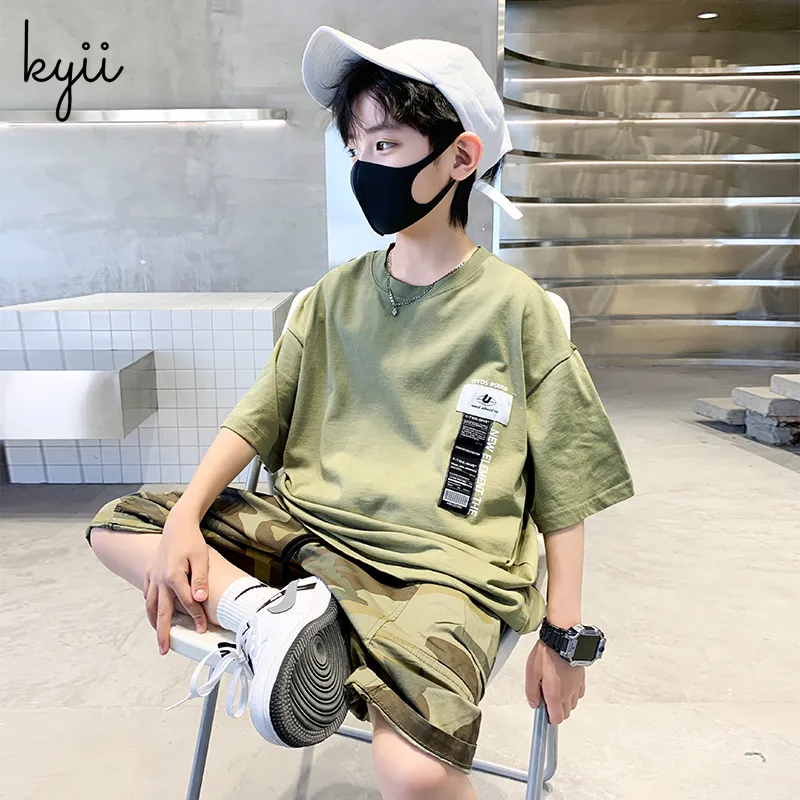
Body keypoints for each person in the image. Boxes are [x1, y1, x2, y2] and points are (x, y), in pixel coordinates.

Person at [86, 25, 634, 800]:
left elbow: (566, 487)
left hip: (444, 572)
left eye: (385, 145)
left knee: (413, 775)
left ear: (460, 157)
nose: (364, 168)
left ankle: (296, 627)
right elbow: (256, 417)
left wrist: (564, 639)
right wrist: (184, 519)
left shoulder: (519, 313)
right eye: (355, 149)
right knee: (122, 525)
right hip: (307, 537)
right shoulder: (332, 296)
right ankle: (269, 618)